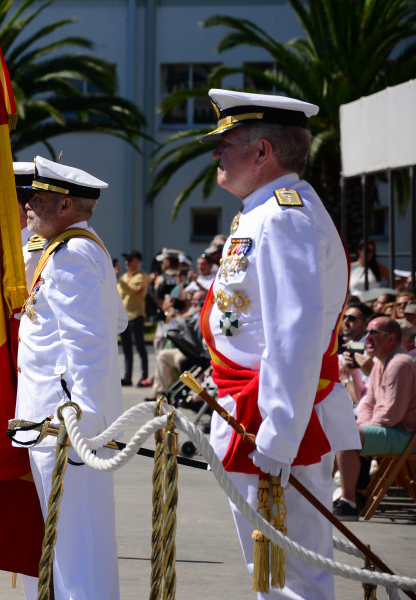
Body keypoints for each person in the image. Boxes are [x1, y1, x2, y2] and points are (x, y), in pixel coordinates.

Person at [200, 89, 360, 599]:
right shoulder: (262, 211)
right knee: (274, 572)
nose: (216, 155)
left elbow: (297, 333)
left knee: (292, 577)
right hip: (253, 407)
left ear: (262, 151)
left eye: (226, 144)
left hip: (271, 415)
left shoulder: (285, 217)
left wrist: (281, 432)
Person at [14, 155, 126, 599]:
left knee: (75, 550)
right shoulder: (80, 246)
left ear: (64, 206)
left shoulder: (70, 255)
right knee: (66, 546)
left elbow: (90, 346)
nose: (29, 207)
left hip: (64, 427)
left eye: (38, 200)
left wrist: (85, 428)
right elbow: (114, 321)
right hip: (58, 423)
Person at [334, 317, 416, 520]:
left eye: (374, 333)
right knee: (342, 431)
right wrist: (360, 425)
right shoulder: (382, 362)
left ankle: (349, 502)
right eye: (367, 332)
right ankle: (326, 494)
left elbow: (392, 414)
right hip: (392, 429)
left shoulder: (400, 363)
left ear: (391, 338)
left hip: (406, 434)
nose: (367, 338)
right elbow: (368, 403)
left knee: (347, 435)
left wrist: (358, 429)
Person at [117, 249, 149, 387]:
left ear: (138, 261)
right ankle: (128, 377)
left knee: (140, 347)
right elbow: (120, 294)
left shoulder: (141, 276)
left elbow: (130, 291)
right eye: (126, 259)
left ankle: (144, 377)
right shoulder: (124, 277)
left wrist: (120, 281)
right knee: (127, 349)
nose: (127, 262)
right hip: (125, 316)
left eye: (130, 259)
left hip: (135, 315)